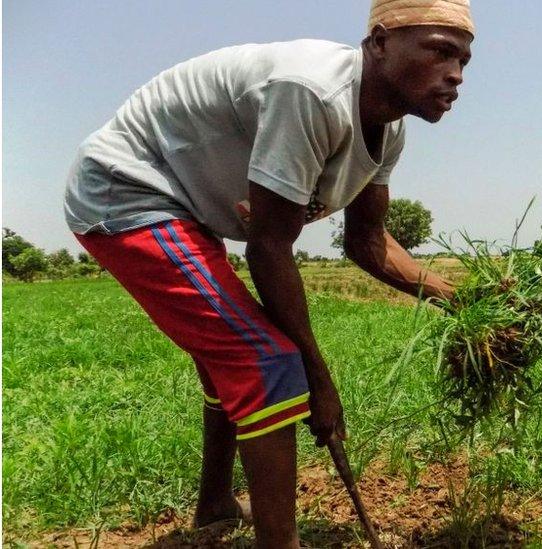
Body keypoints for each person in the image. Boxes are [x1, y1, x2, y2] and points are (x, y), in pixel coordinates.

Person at [62, 1, 474, 546]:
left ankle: (214, 505)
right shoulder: (311, 93)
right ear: (379, 43)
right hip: (129, 190)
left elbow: (368, 242)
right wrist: (317, 381)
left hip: (186, 207)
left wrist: (465, 296)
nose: (456, 74)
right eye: (441, 52)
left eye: (465, 60)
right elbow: (270, 247)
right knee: (266, 361)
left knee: (230, 360)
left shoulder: (389, 131)